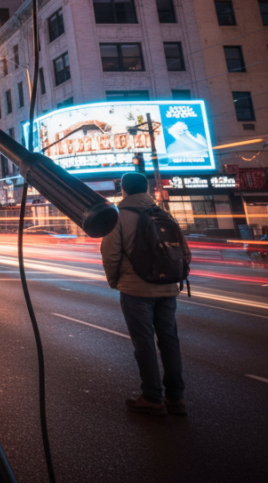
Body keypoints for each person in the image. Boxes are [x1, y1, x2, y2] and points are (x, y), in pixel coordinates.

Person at [101, 172, 191, 416]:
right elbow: (184, 251)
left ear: (123, 191)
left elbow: (110, 254)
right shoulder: (163, 213)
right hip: (168, 288)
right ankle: (176, 397)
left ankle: (151, 396)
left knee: (144, 343)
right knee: (170, 341)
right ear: (147, 189)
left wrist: (115, 281)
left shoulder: (119, 217)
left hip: (136, 289)